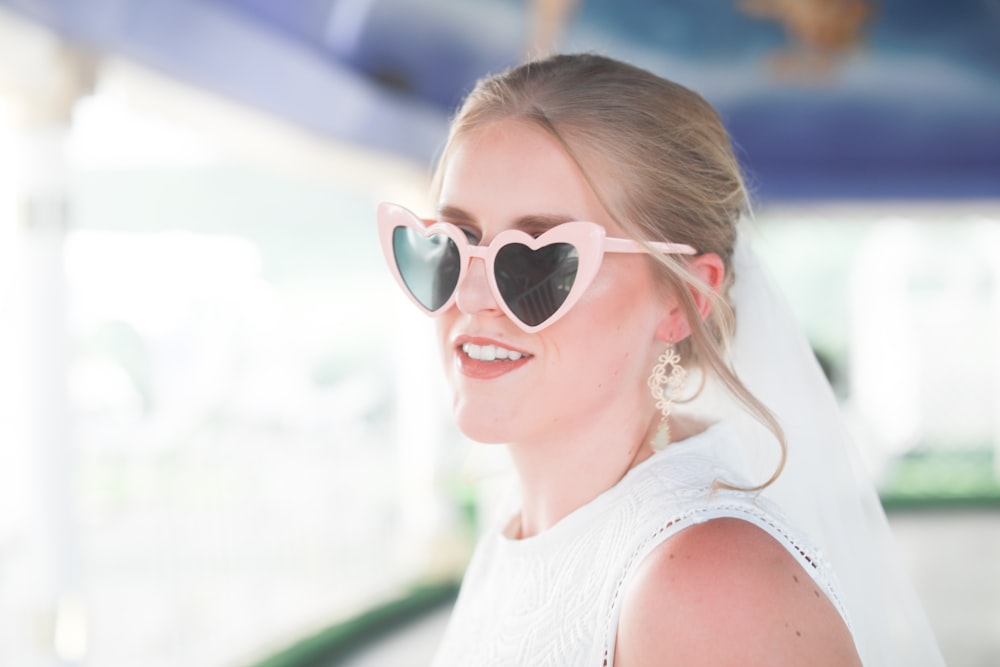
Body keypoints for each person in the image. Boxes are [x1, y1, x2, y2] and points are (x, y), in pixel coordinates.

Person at [376, 53, 944, 666]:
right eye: (451, 245)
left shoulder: (707, 586)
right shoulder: (516, 536)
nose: (472, 295)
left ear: (683, 298)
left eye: (539, 260)